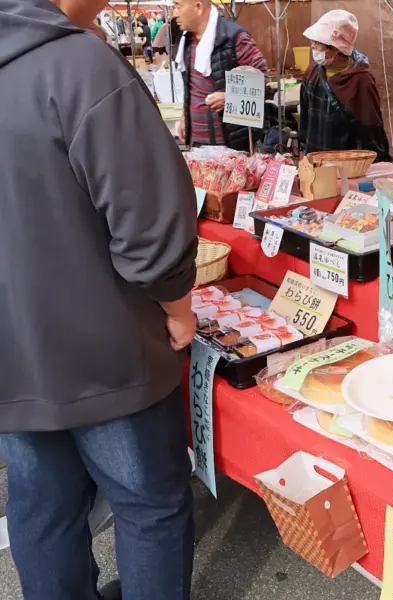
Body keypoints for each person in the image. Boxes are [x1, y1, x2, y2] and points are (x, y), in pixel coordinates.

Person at [0, 1, 198, 600]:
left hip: (12, 357)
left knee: (40, 508)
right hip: (108, 353)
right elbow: (152, 226)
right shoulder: (81, 65)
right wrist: (178, 307)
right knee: (149, 508)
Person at [299, 9, 393, 162]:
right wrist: (303, 151)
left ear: (336, 49)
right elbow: (305, 117)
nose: (312, 46)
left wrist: (378, 166)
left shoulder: (361, 81)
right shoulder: (312, 72)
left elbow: (371, 132)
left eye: (318, 42)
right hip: (313, 163)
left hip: (346, 168)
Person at [174, 0, 268, 150]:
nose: (174, 13)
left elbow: (262, 79)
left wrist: (230, 97)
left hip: (230, 144)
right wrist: (184, 116)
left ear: (198, 7)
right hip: (196, 142)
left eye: (178, 6)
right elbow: (190, 86)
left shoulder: (234, 37)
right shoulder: (186, 40)